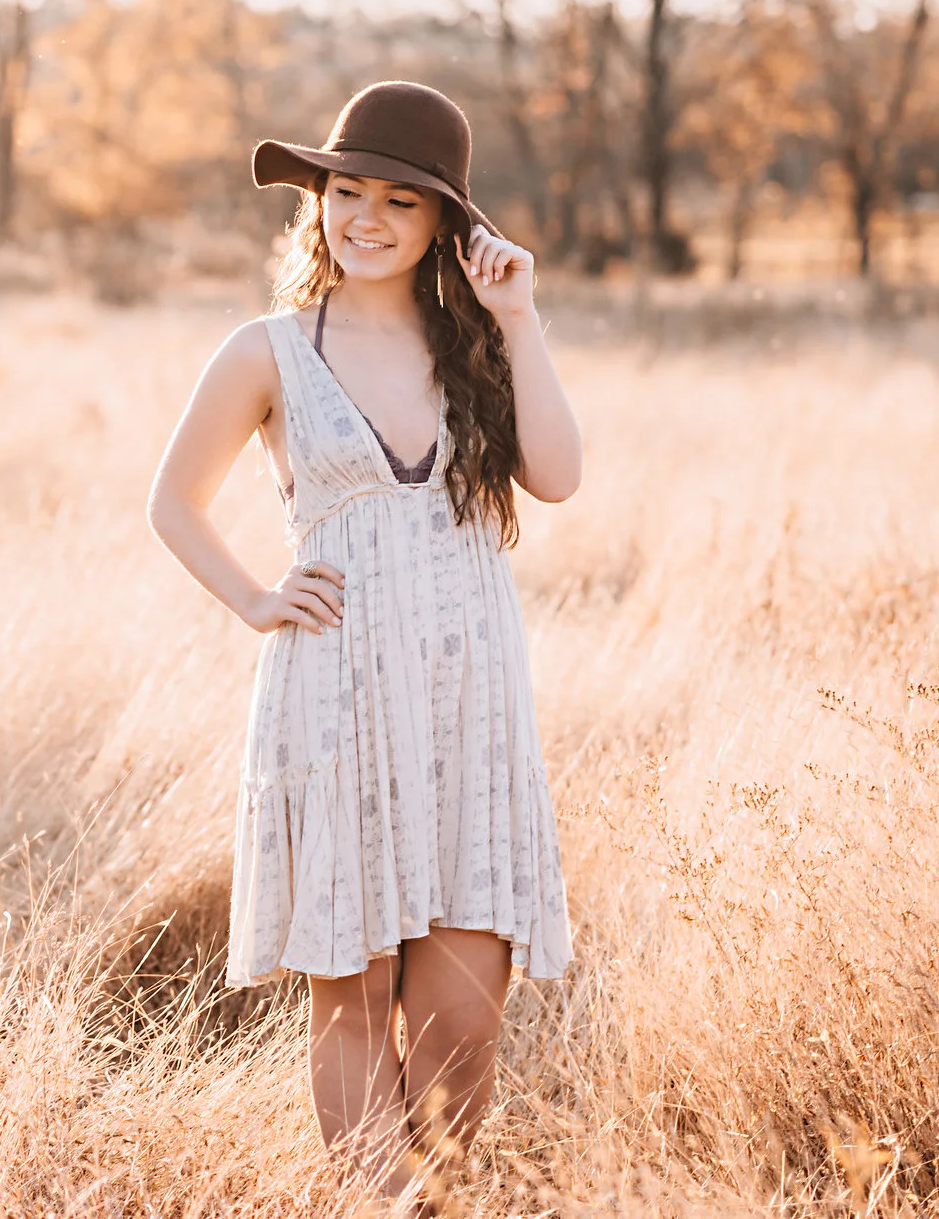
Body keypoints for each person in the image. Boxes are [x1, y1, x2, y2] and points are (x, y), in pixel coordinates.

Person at [145, 81, 580, 1211]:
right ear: (317, 201)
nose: (366, 216)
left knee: (462, 1029)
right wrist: (254, 598)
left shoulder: (478, 340)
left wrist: (520, 317)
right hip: (333, 692)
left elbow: (559, 473)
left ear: (446, 221)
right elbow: (174, 502)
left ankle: (428, 1198)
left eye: (399, 198)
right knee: (347, 990)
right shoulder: (268, 350)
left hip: (469, 701)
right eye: (345, 190)